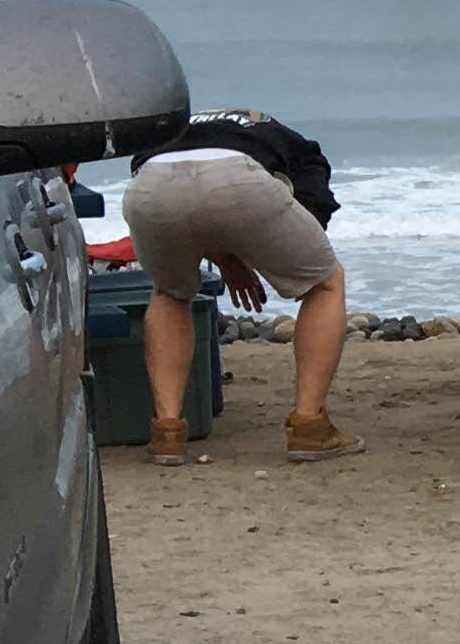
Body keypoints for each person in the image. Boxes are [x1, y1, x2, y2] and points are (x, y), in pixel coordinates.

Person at [120, 106, 362, 462]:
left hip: (150, 183)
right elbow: (310, 191)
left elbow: (191, 204)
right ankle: (309, 427)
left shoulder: (175, 129)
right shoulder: (283, 136)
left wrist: (227, 257)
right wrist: (287, 253)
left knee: (169, 293)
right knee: (326, 282)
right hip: (237, 179)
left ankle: (167, 432)